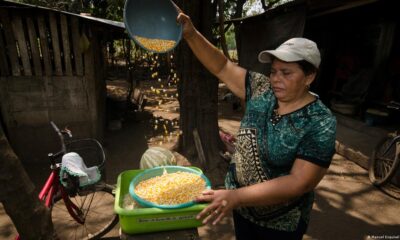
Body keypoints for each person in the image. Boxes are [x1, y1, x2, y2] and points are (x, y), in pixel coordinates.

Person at [176, 11, 336, 240]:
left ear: (309, 76)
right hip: (242, 210)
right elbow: (222, 67)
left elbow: (299, 182)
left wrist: (236, 196)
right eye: (273, 71)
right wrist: (191, 35)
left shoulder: (320, 121)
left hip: (279, 224)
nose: (275, 79)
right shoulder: (262, 89)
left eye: (286, 73)